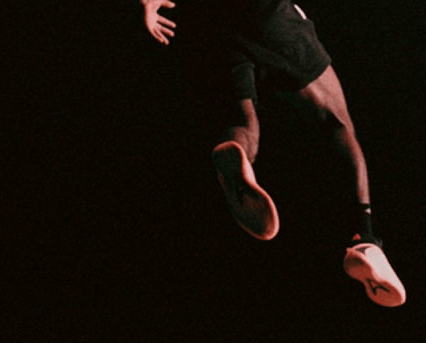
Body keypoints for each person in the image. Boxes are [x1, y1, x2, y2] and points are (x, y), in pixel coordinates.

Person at [140, 0, 405, 307]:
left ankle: (237, 154)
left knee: (241, 121)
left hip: (208, 29)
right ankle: (364, 239)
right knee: (335, 122)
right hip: (268, 16)